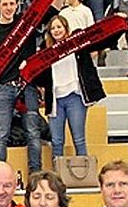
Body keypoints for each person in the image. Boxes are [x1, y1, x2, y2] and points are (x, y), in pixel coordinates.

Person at [0, 0, 42, 173]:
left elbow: (49, 13)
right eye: (4, 4)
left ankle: (35, 175)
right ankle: (0, 175)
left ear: (17, 5)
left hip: (26, 86)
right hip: (1, 89)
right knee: (1, 134)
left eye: (12, 4)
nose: (8, 8)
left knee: (33, 133)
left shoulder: (26, 26)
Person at [38, 15, 106, 160]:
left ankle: (84, 175)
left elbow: (97, 41)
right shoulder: (45, 49)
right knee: (56, 141)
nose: (56, 31)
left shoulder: (76, 43)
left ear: (65, 28)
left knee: (79, 138)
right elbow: (41, 75)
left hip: (75, 96)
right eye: (53, 28)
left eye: (59, 27)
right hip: (55, 99)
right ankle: (57, 176)